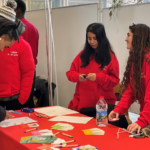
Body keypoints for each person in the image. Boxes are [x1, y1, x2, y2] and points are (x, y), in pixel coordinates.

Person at [66, 23, 120, 112]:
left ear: (101, 38)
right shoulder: (82, 55)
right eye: (89, 38)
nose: (91, 42)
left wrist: (99, 77)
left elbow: (115, 81)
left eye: (95, 38)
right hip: (83, 105)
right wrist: (77, 76)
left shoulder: (110, 57)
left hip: (102, 106)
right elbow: (69, 73)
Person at [108, 23, 150, 133]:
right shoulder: (137, 59)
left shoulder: (148, 60)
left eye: (128, 35)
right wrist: (118, 109)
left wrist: (142, 120)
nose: (125, 39)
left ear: (138, 38)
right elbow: (131, 90)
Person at [0, 0, 35, 111]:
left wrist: (22, 99)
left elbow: (28, 72)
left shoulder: (23, 45)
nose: (2, 49)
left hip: (14, 100)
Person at [15, 0, 39, 108]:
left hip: (18, 72)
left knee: (16, 105)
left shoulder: (14, 29)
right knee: (28, 103)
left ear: (18, 11)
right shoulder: (34, 28)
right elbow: (36, 52)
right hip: (31, 70)